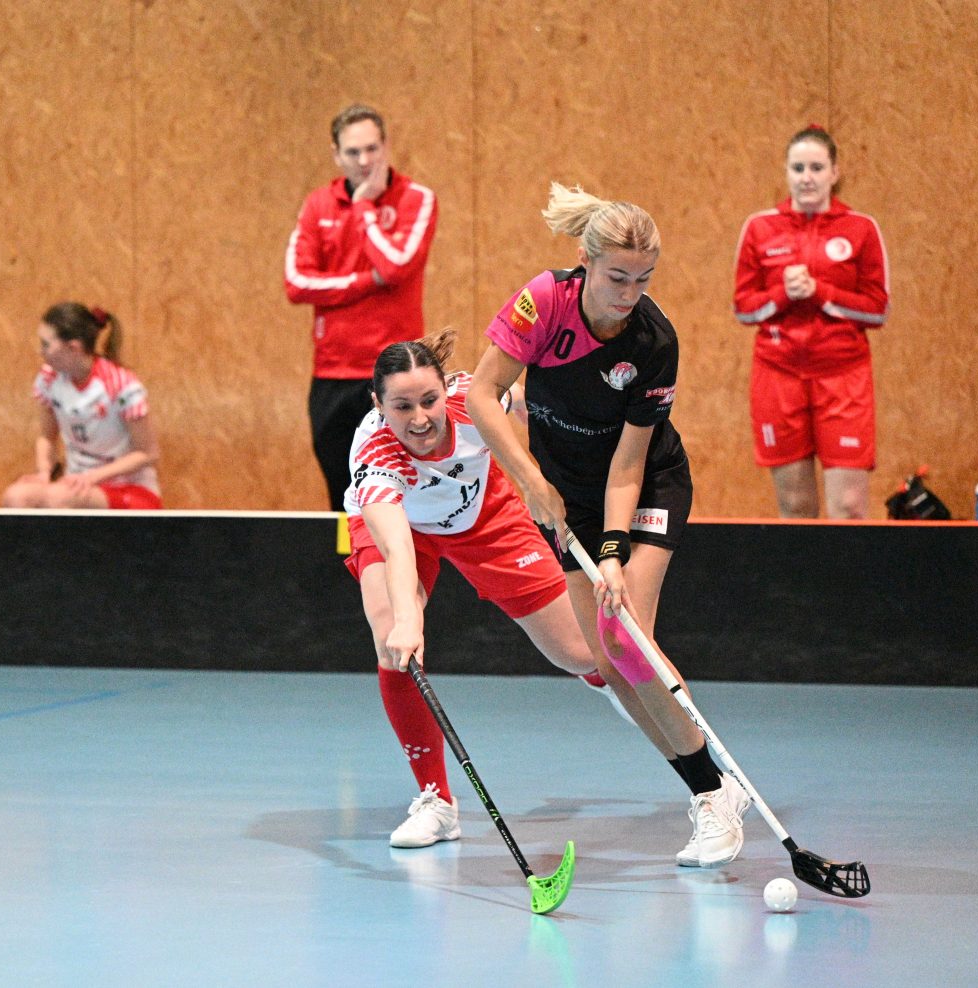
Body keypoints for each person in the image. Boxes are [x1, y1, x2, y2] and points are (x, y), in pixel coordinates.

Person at [467, 183, 750, 868]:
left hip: (646, 484)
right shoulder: (543, 303)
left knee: (626, 642)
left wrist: (616, 553)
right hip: (565, 495)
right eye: (618, 277)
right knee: (608, 662)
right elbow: (481, 394)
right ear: (586, 265)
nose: (630, 292)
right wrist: (533, 482)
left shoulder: (655, 342)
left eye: (643, 279)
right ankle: (716, 777)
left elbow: (630, 461)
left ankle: (712, 796)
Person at [346, 329, 661, 849]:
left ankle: (602, 679)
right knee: (391, 642)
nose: (421, 419)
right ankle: (437, 801)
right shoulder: (376, 454)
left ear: (446, 389)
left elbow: (535, 412)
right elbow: (398, 548)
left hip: (483, 516)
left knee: (581, 650)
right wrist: (408, 617)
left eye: (429, 400)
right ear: (379, 404)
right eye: (402, 407)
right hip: (400, 529)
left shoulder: (475, 403)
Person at [285, 103, 438, 510]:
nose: (365, 160)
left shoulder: (416, 199)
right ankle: (350, 573)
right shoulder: (318, 205)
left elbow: (395, 266)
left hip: (394, 376)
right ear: (336, 154)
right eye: (353, 152)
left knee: (404, 490)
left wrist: (365, 210)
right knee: (344, 493)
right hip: (333, 372)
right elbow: (297, 283)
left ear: (387, 146)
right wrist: (365, 283)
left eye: (372, 148)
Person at [732, 125, 890, 519]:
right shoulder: (760, 227)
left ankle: (848, 583)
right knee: (796, 506)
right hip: (778, 376)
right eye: (798, 167)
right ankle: (802, 584)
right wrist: (784, 294)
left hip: (843, 378)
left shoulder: (861, 228)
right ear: (786, 172)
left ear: (834, 173)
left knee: (849, 507)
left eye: (817, 167)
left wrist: (821, 293)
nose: (807, 177)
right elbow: (743, 308)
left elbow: (877, 309)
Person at [1, 303, 161, 510]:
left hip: (129, 489)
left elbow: (148, 453)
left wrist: (93, 477)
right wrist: (43, 473)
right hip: (74, 485)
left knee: (58, 499)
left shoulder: (120, 385)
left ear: (73, 348)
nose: (41, 351)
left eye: (46, 344)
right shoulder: (49, 379)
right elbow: (46, 437)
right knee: (16, 496)